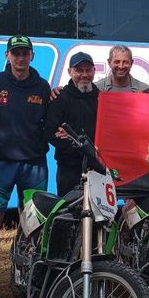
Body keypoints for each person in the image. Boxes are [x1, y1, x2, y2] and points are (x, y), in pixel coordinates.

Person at [0, 35, 51, 273]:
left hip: (34, 165)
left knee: (32, 222)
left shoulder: (43, 87)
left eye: (25, 53)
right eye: (15, 53)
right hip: (0, 164)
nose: (20, 58)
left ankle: (25, 272)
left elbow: (52, 119)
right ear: (7, 56)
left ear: (31, 56)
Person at [44, 51, 100, 195]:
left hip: (98, 168)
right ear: (70, 72)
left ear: (94, 71)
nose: (84, 74)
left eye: (88, 70)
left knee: (99, 213)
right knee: (68, 213)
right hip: (68, 168)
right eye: (79, 70)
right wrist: (76, 149)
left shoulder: (102, 98)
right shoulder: (59, 98)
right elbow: (50, 131)